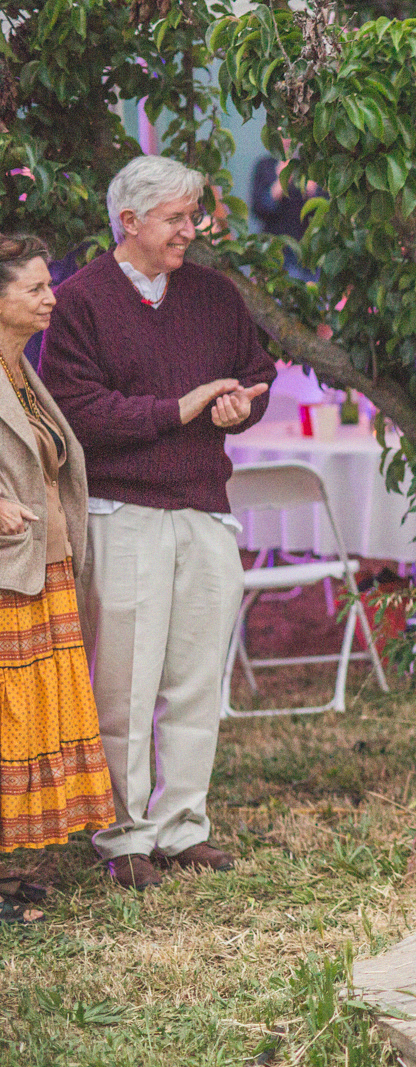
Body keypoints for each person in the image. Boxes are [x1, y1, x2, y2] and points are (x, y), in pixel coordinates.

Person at [40, 155, 273, 891]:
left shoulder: (213, 294)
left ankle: (183, 826)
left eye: (193, 214)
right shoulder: (79, 301)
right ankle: (124, 834)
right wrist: (179, 409)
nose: (190, 229)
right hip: (122, 512)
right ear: (129, 221)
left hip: (204, 506)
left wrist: (240, 408)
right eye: (176, 217)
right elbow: (77, 413)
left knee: (196, 679)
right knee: (124, 684)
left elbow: (256, 373)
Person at [0, 235, 115, 923]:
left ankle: (6, 868)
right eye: (37, 288)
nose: (53, 298)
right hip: (6, 573)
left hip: (43, 565)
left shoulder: (19, 367)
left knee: (29, 721)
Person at [250, 148, 316, 280]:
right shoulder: (266, 166)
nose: (286, 141)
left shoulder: (311, 168)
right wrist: (281, 183)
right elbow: (259, 209)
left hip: (306, 254)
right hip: (275, 251)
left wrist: (313, 190)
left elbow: (325, 209)